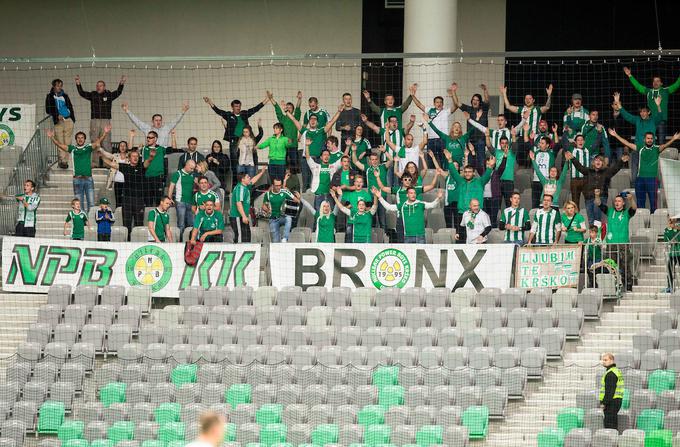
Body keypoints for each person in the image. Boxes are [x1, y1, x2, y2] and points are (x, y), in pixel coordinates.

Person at [204, 93, 269, 187]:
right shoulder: (228, 115)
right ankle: (235, 184)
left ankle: (250, 181)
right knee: (235, 163)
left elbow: (255, 109)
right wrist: (210, 102)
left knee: (251, 156)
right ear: (232, 107)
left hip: (245, 140)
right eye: (236, 106)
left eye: (239, 106)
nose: (238, 108)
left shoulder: (244, 114)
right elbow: (218, 111)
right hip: (235, 141)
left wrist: (266, 99)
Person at [609, 128, 680, 213]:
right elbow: (627, 143)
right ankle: (641, 220)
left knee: (653, 204)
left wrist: (674, 139)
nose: (649, 140)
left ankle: (654, 221)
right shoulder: (640, 148)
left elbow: (665, 145)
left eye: (651, 138)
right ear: (644, 139)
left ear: (653, 139)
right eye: (648, 138)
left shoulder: (657, 149)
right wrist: (616, 135)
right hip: (640, 179)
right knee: (640, 204)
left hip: (652, 180)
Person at [47, 125, 111, 212]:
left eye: (82, 138)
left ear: (84, 139)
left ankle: (91, 221)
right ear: (76, 139)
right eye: (78, 138)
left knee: (91, 203)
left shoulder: (88, 147)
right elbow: (60, 145)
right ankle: (83, 221)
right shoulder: (72, 149)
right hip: (77, 180)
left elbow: (97, 143)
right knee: (79, 204)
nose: (80, 139)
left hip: (88, 179)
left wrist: (105, 133)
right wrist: (52, 137)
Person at [374, 166, 438, 243]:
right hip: (401, 218)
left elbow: (431, 186)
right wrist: (377, 177)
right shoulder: (397, 190)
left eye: (409, 180)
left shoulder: (415, 189)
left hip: (414, 218)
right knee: (402, 242)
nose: (407, 181)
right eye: (405, 179)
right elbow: (383, 188)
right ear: (402, 181)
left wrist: (436, 175)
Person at [288, 104, 343, 191]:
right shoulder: (304, 131)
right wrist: (287, 112)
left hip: (318, 160)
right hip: (306, 159)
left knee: (318, 182)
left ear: (317, 122)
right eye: (311, 119)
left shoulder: (321, 131)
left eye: (315, 119)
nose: (313, 120)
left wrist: (339, 111)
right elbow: (294, 120)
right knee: (306, 183)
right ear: (309, 121)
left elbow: (331, 122)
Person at [564, 151, 627, 225]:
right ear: (593, 162)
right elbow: (579, 167)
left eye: (600, 160)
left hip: (601, 198)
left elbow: (615, 169)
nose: (598, 161)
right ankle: (593, 236)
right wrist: (572, 158)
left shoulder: (607, 172)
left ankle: (598, 236)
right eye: (596, 160)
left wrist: (621, 161)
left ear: (603, 163)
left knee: (597, 220)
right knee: (591, 221)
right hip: (589, 198)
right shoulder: (588, 171)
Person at [612, 92, 662, 184]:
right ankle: (635, 187)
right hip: (637, 149)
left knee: (650, 173)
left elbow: (660, 116)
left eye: (644, 111)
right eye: (641, 112)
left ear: (649, 112)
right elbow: (626, 115)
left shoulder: (653, 121)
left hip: (649, 152)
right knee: (635, 173)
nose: (642, 113)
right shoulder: (637, 120)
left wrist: (658, 105)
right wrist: (618, 102)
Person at [75, 74, 126, 165]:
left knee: (106, 141)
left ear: (104, 87)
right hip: (95, 120)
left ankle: (107, 164)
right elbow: (82, 93)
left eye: (101, 85)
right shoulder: (93, 94)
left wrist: (122, 83)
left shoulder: (109, 94)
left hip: (106, 120)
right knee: (95, 141)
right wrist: (78, 83)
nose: (98, 87)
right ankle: (95, 163)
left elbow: (118, 92)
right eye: (97, 85)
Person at [624, 66, 680, 144]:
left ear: (661, 83)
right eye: (654, 81)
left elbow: (677, 84)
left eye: (657, 81)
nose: (655, 83)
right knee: (648, 142)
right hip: (650, 121)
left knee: (661, 143)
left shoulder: (665, 91)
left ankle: (659, 156)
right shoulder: (648, 92)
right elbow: (638, 86)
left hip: (661, 121)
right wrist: (630, 75)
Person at [595, 189, 637, 289]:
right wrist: (597, 195)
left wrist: (631, 199)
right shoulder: (610, 211)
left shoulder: (627, 213)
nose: (617, 202)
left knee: (625, 265)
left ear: (623, 203)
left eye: (619, 201)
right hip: (611, 244)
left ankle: (628, 284)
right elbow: (599, 204)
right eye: (615, 201)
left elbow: (634, 208)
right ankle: (614, 285)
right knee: (611, 266)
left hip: (623, 243)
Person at [376, 187, 443, 244]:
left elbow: (432, 205)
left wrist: (438, 198)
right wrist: (380, 197)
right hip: (407, 236)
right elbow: (389, 207)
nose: (413, 195)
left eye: (414, 193)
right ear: (407, 195)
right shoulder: (402, 205)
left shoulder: (421, 204)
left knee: (421, 258)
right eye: (411, 193)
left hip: (420, 236)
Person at [410, 84, 455, 168]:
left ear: (443, 103)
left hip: (443, 140)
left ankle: (444, 179)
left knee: (443, 162)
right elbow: (419, 105)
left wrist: (453, 95)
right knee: (431, 163)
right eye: (437, 102)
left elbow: (455, 106)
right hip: (431, 139)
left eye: (441, 102)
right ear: (434, 103)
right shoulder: (429, 110)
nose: (439, 104)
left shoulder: (446, 111)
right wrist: (413, 96)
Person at [113, 150, 154, 239]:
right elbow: (112, 164)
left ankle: (138, 241)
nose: (135, 158)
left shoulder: (141, 167)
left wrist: (151, 157)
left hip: (139, 200)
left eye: (137, 156)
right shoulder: (125, 167)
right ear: (129, 158)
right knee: (126, 223)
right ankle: (127, 242)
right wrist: (101, 156)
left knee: (139, 223)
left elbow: (148, 162)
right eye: (133, 156)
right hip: (127, 199)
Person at [446, 150, 495, 219]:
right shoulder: (461, 181)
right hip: (461, 214)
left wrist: (490, 167)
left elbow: (487, 175)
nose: (467, 173)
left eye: (469, 172)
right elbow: (454, 173)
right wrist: (450, 161)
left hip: (476, 214)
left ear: (474, 173)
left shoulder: (480, 182)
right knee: (460, 230)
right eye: (465, 172)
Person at [352, 146, 392, 229]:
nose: (374, 161)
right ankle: (373, 239)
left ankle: (383, 239)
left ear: (378, 160)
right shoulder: (367, 168)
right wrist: (354, 151)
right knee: (371, 220)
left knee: (382, 220)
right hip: (370, 197)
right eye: (372, 159)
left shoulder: (383, 167)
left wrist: (385, 151)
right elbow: (355, 161)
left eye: (375, 159)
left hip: (382, 196)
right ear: (369, 160)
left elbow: (391, 160)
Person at [452, 83, 491, 167]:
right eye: (473, 99)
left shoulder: (483, 109)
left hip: (481, 139)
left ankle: (482, 178)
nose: (475, 101)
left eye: (477, 100)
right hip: (470, 140)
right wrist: (453, 91)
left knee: (481, 162)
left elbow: (487, 100)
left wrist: (485, 90)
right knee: (469, 162)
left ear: (480, 102)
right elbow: (457, 103)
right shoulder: (468, 109)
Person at [122, 100, 188, 148]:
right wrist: (127, 111)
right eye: (156, 120)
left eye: (160, 120)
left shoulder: (166, 128)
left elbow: (176, 120)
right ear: (152, 121)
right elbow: (136, 121)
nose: (158, 122)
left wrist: (183, 111)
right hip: (150, 153)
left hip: (162, 154)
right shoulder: (147, 128)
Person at [230, 168, 267, 243]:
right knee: (240, 237)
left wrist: (261, 173)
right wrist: (243, 216)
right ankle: (238, 252)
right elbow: (238, 203)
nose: (249, 178)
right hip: (237, 217)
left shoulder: (245, 186)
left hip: (243, 217)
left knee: (247, 237)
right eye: (247, 177)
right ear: (242, 179)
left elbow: (253, 180)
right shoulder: (240, 188)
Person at [45, 78, 76, 169]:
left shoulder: (65, 96)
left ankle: (65, 162)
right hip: (58, 121)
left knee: (67, 142)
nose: (59, 87)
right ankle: (61, 161)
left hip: (68, 120)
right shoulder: (50, 96)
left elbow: (70, 106)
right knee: (60, 142)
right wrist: (56, 115)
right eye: (58, 85)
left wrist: (72, 118)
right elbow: (48, 109)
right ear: (53, 86)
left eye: (61, 85)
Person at [527, 132, 561, 208]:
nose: (540, 144)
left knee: (546, 203)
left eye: (542, 143)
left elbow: (557, 145)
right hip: (536, 181)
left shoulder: (551, 154)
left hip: (546, 182)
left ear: (547, 145)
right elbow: (530, 149)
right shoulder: (536, 153)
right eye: (539, 143)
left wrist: (555, 132)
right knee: (535, 203)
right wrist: (531, 140)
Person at [99, 130, 133, 207]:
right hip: (117, 181)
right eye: (121, 145)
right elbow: (106, 154)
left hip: (127, 181)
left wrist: (131, 136)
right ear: (118, 147)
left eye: (124, 145)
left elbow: (131, 148)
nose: (123, 147)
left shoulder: (130, 156)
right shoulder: (115, 155)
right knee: (118, 201)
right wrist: (100, 149)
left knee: (127, 200)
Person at [306, 144, 344, 211]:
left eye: (328, 155)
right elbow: (308, 158)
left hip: (330, 195)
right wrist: (307, 146)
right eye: (324, 155)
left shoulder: (333, 166)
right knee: (318, 216)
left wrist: (348, 147)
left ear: (330, 157)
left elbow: (343, 158)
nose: (326, 156)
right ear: (321, 157)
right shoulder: (315, 166)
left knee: (331, 216)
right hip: (319, 196)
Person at [270, 91, 302, 169]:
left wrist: (299, 99)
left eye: (290, 107)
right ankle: (283, 179)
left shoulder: (296, 118)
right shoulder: (282, 118)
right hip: (283, 145)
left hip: (293, 145)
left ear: (293, 110)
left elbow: (298, 108)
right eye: (286, 107)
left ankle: (294, 179)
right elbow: (277, 108)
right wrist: (271, 99)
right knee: (283, 164)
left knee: (294, 164)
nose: (288, 109)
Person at [168, 160, 197, 241]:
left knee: (191, 223)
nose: (192, 170)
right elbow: (171, 187)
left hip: (191, 202)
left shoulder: (193, 175)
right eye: (191, 168)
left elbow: (199, 185)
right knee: (181, 224)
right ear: (186, 165)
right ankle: (180, 241)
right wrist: (169, 199)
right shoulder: (178, 174)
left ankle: (191, 240)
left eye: (193, 169)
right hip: (180, 201)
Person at [263, 178, 298, 243]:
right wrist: (267, 209)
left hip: (283, 217)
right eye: (277, 185)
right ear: (273, 185)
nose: (278, 187)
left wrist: (299, 197)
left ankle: (285, 238)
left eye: (280, 185)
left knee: (289, 218)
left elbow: (297, 201)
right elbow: (264, 206)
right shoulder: (267, 194)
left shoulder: (285, 192)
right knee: (275, 242)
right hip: (273, 219)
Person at [564, 133, 591, 208]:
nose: (580, 141)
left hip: (586, 180)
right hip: (575, 180)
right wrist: (565, 132)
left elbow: (596, 143)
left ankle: (590, 218)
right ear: (575, 142)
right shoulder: (571, 150)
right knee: (575, 203)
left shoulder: (588, 150)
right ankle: (576, 218)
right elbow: (564, 143)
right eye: (578, 140)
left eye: (582, 140)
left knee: (589, 201)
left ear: (584, 141)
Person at [600, 353, 624, 430]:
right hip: (617, 400)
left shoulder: (611, 373)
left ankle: (611, 439)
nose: (603, 362)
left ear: (612, 360)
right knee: (613, 423)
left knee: (609, 424)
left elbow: (609, 391)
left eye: (606, 360)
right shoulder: (616, 371)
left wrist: (604, 403)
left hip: (611, 402)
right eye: (603, 360)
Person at [664, 218, 680, 293]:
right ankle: (670, 286)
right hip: (672, 253)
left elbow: (677, 239)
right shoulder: (667, 230)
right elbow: (666, 240)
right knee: (670, 269)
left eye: (673, 220)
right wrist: (672, 229)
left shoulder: (678, 228)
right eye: (670, 220)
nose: (671, 221)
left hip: (679, 252)